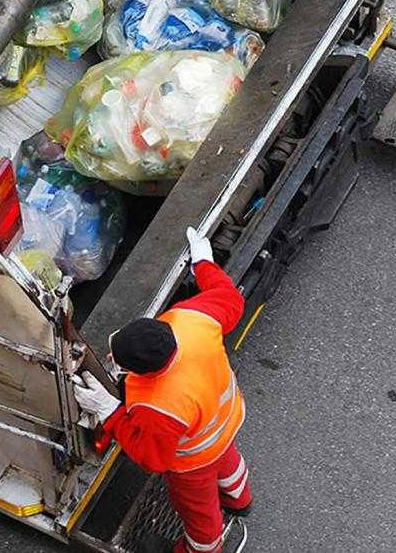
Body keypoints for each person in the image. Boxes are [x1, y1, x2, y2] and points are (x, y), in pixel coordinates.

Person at [74, 227, 251, 553]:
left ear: (145, 372)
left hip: (195, 459)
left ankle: (202, 548)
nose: (112, 358)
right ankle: (239, 498)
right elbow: (229, 297)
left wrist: (110, 412)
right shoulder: (191, 320)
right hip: (225, 420)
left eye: (119, 359)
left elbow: (152, 457)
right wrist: (204, 264)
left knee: (199, 511)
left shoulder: (160, 404)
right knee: (228, 462)